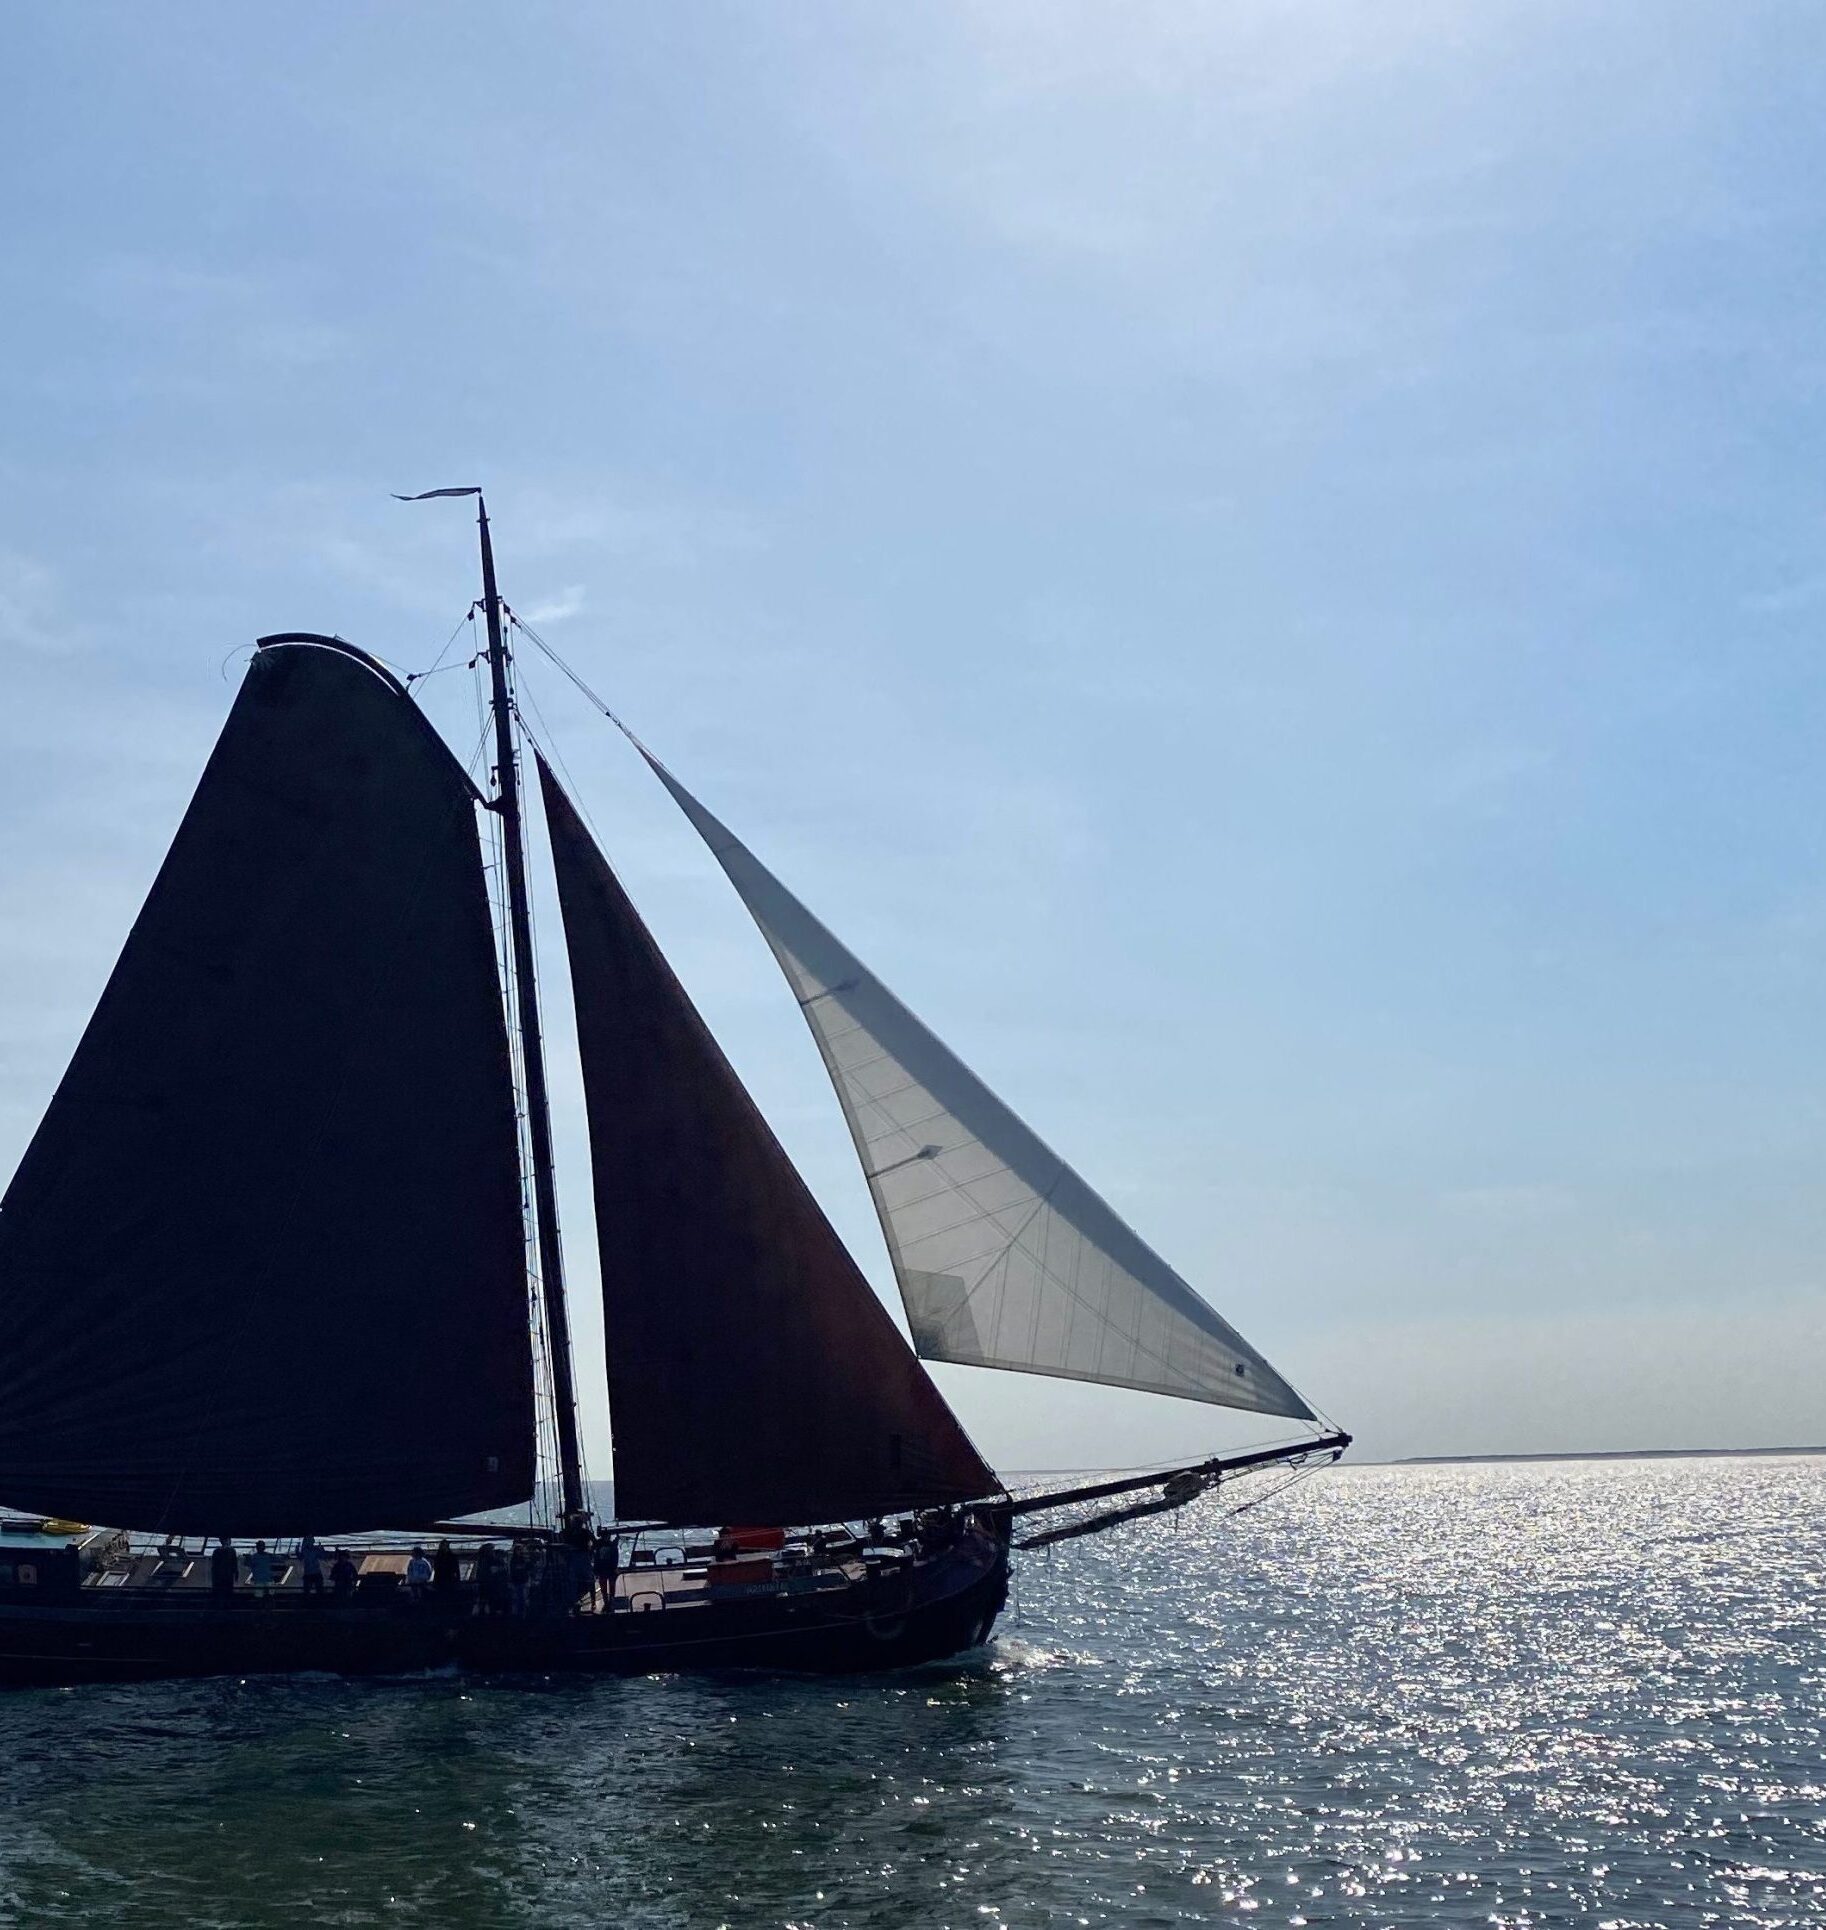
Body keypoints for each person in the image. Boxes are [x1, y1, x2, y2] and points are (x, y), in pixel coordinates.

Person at [592, 1529, 619, 1612]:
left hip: (610, 1568)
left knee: (612, 1585)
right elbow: (595, 1558)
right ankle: (606, 1602)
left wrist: (614, 1568)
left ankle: (611, 1601)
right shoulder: (599, 1545)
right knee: (603, 1586)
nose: (607, 1537)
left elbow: (615, 1558)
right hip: (602, 1569)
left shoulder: (611, 1545)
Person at [247, 1539, 277, 1604]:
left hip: (260, 1580)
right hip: (266, 1579)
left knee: (260, 1598)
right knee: (269, 1597)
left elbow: (249, 1564)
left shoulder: (254, 1557)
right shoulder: (268, 1556)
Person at [297, 1534, 325, 1602]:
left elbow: (322, 1556)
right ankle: (311, 1602)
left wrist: (321, 1549)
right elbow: (301, 1557)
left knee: (317, 1590)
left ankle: (318, 1602)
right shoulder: (307, 1550)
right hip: (310, 1573)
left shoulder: (314, 1549)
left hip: (313, 1572)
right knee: (309, 1591)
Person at [210, 1536, 238, 1602]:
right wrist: (236, 1572)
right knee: (228, 1591)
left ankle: (220, 1606)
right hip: (228, 1574)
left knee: (219, 1591)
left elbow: (214, 1565)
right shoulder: (232, 1551)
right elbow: (234, 1563)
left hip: (219, 1575)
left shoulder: (216, 1551)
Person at [508, 1540, 531, 1617]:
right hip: (517, 1581)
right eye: (519, 1550)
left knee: (523, 1598)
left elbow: (526, 1568)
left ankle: (522, 1614)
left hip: (523, 1580)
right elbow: (516, 1568)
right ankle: (518, 1614)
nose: (521, 1551)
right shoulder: (514, 1560)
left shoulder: (523, 1559)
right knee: (518, 1598)